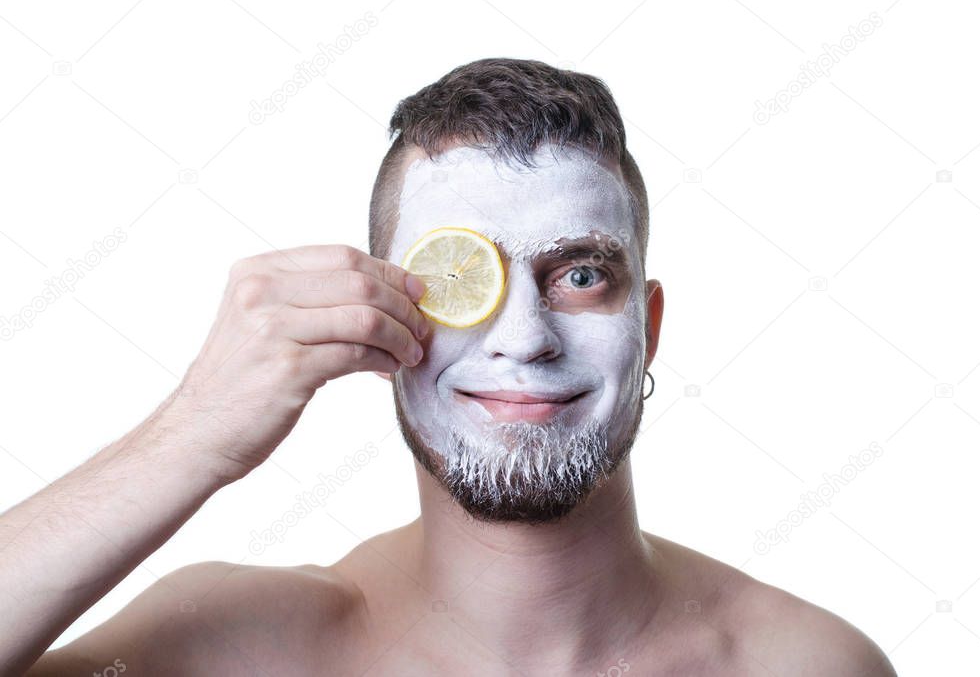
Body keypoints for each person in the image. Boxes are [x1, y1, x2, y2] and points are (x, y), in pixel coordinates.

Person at [5, 58, 897, 676]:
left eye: (581, 275)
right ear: (379, 311)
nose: (524, 337)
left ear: (649, 326)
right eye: (463, 276)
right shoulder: (240, 648)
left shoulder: (809, 665)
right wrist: (189, 435)